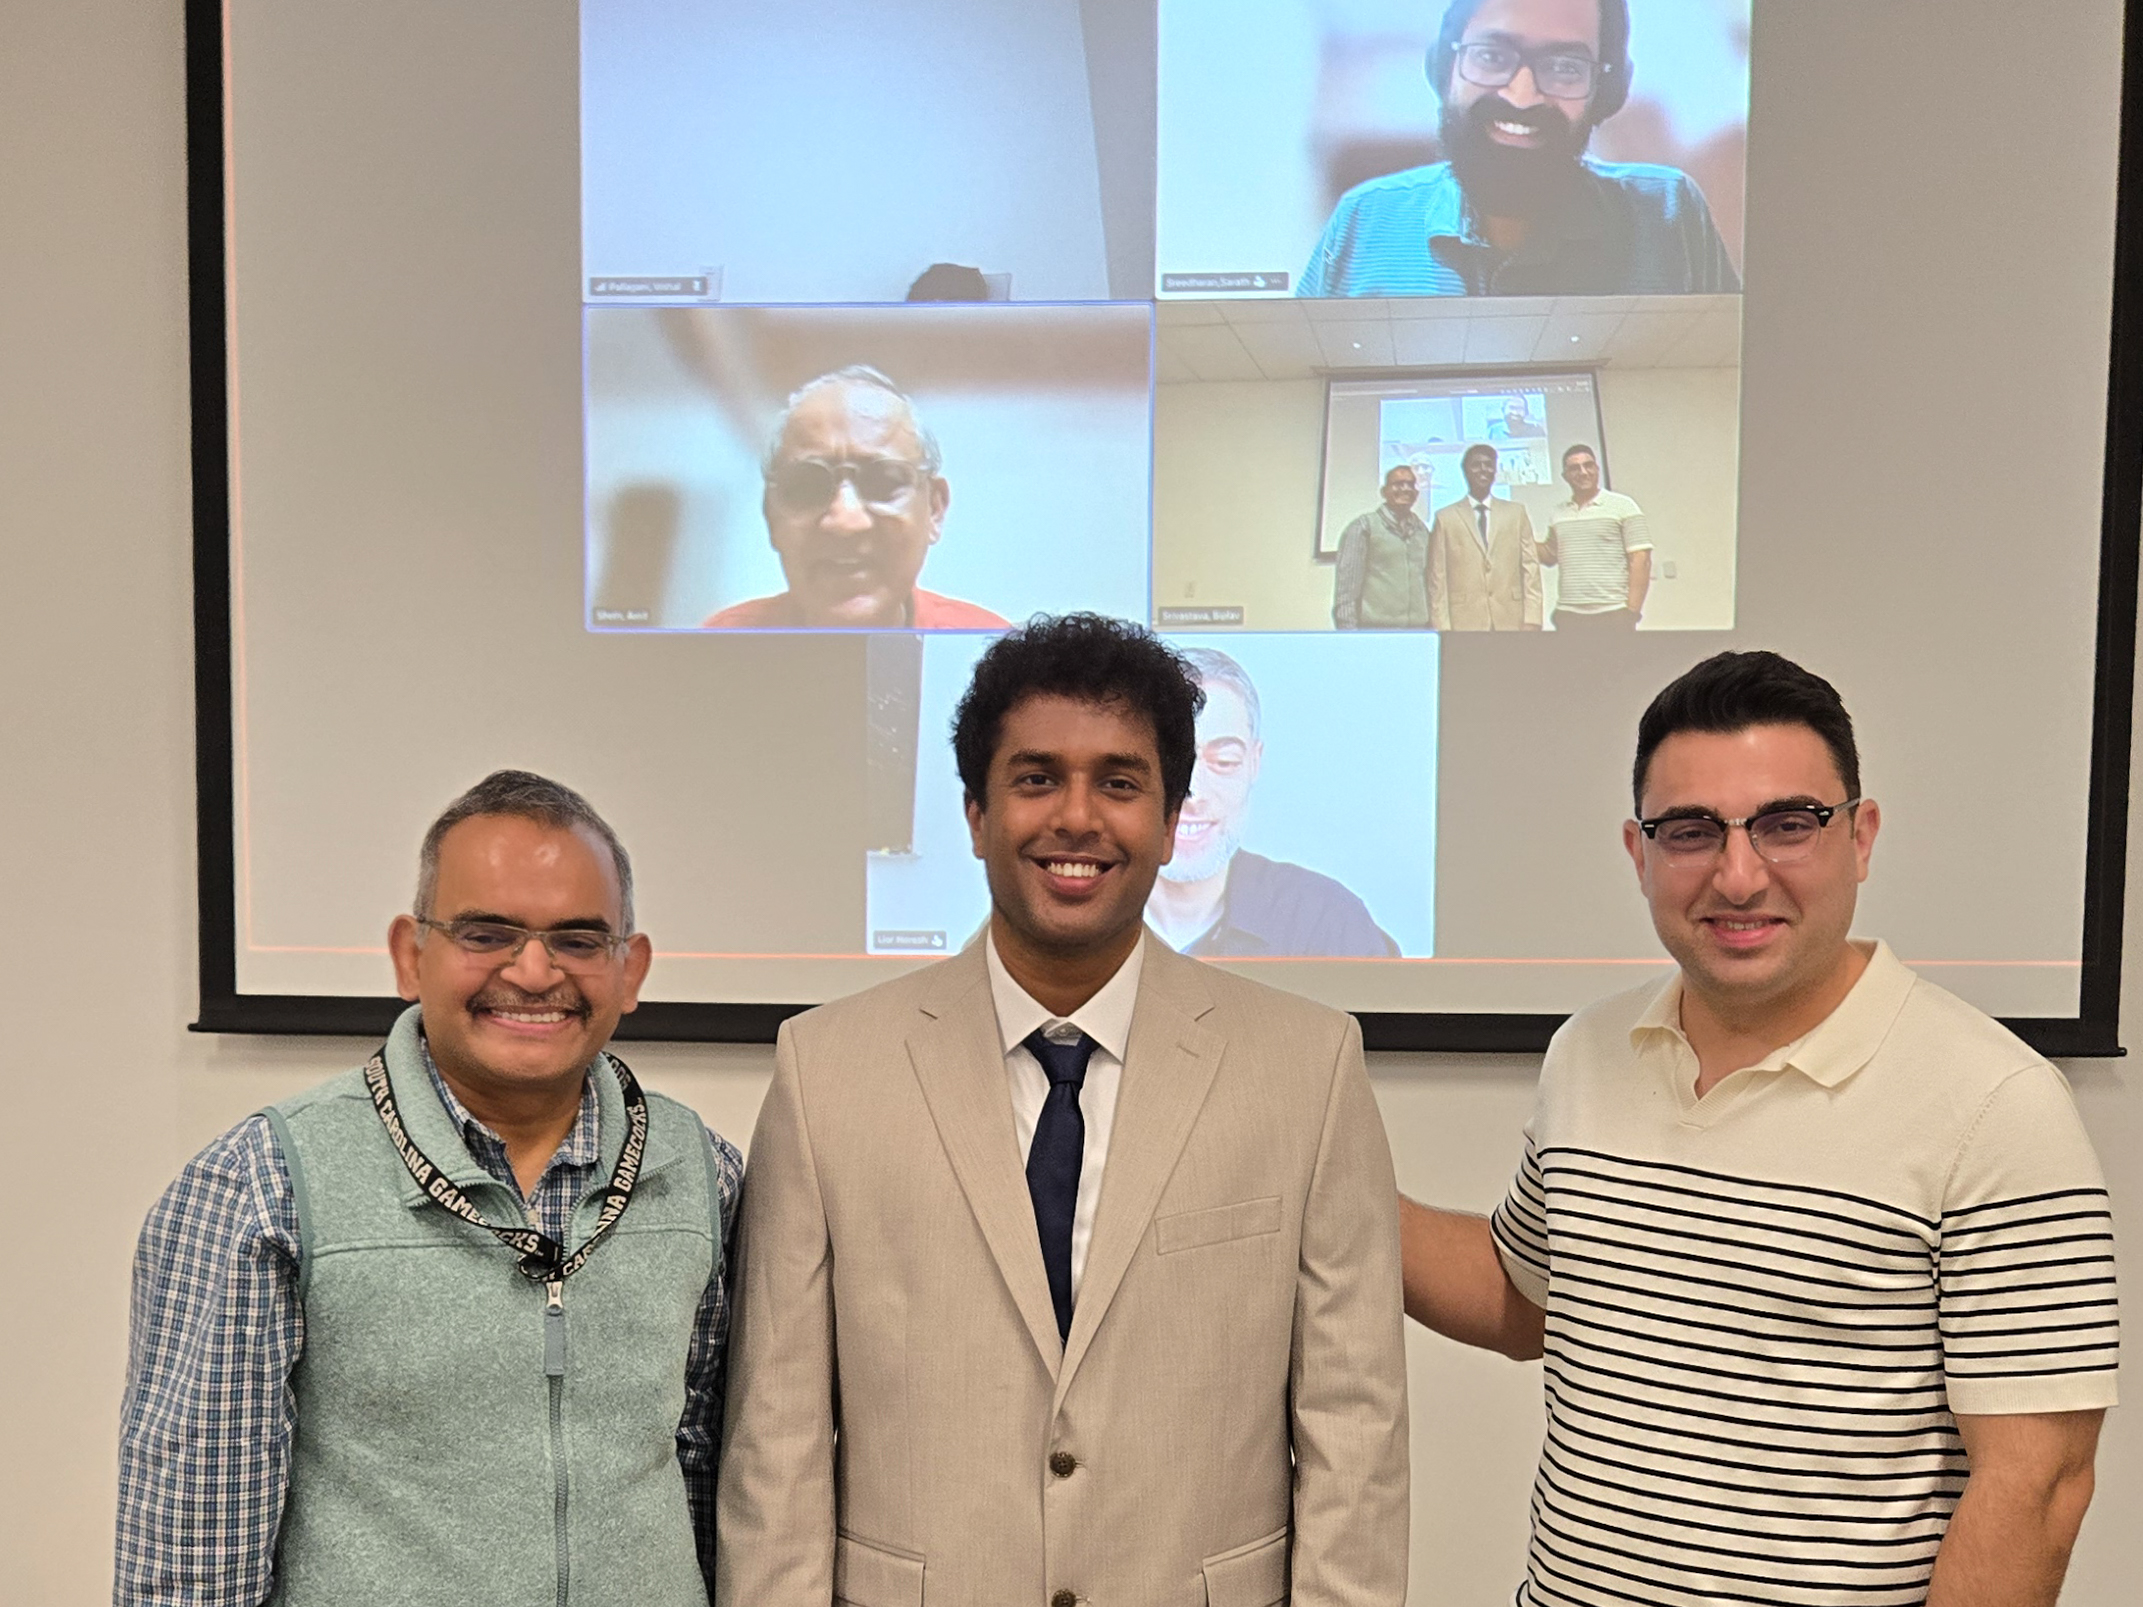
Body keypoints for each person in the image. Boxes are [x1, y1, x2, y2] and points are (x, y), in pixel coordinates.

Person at [1399, 652, 2119, 1606]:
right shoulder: (1586, 1051)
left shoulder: (1998, 1103)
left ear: (1859, 837)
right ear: (1637, 851)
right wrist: (1316, 1178)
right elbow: (1526, 1294)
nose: (1738, 876)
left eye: (1787, 824)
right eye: (1691, 831)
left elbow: (2039, 1487)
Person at [718, 614, 1409, 1607]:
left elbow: (1355, 1429)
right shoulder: (827, 1070)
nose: (1075, 818)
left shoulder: (1306, 1065)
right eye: (1036, 777)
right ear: (974, 812)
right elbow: (774, 1447)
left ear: (1171, 820)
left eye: (1119, 783)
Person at [116, 771, 743, 1607]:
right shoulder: (258, 1189)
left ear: (630, 970)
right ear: (412, 955)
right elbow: (191, 1558)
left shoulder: (704, 1173)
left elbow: (712, 1470)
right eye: (487, 932)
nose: (533, 970)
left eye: (579, 939)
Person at [1299, 0, 1741, 299]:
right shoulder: (1364, 220)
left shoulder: (1669, 215)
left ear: (1606, 92)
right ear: (1444, 68)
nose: (1522, 96)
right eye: (1492, 57)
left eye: (1565, 67)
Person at [702, 365, 1010, 630]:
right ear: (771, 517)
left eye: (884, 483)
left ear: (934, 510)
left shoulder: (990, 645)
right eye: (808, 486)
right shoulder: (720, 644)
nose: (845, 521)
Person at [1148, 646, 1401, 958]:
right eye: (1173, 761)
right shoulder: (1083, 914)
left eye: (1224, 761)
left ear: (1255, 763)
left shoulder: (1327, 923)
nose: (1193, 791)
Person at [1429, 443, 1542, 629]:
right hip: (1464, 621)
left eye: (1489, 464)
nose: (1483, 470)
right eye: (1476, 465)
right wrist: (1441, 625)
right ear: (1465, 471)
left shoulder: (1516, 513)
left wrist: (1533, 618)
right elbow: (1437, 578)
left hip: (1511, 618)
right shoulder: (1445, 518)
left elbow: (1530, 568)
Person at [1541, 441, 1651, 630]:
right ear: (1565, 476)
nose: (1583, 472)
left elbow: (1641, 559)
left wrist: (1632, 612)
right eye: (1575, 468)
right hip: (1568, 614)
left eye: (1588, 465)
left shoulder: (1624, 505)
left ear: (1597, 469)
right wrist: (1516, 537)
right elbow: (1550, 555)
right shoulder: (1557, 513)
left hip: (1614, 613)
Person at [1332, 463, 1434, 629]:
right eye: (1398, 484)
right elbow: (1346, 592)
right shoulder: (1364, 527)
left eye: (1410, 484)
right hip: (1375, 633)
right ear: (1384, 491)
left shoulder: (1422, 532)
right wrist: (1348, 635)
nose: (1405, 489)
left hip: (1418, 634)